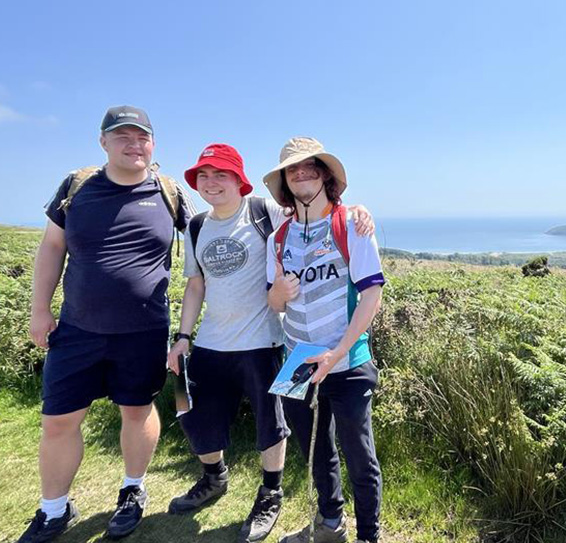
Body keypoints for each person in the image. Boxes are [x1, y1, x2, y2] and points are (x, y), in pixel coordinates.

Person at [166, 143, 374, 543]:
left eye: (221, 174)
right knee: (198, 416)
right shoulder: (198, 226)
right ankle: (217, 480)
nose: (211, 183)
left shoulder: (264, 211)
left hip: (271, 344)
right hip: (244, 346)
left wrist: (358, 211)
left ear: (239, 180)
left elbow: (322, 208)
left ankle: (277, 497)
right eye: (204, 176)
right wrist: (183, 336)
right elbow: (198, 286)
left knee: (279, 429)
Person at [17, 105, 194, 543]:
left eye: (142, 137)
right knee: (58, 420)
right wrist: (40, 310)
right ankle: (54, 509)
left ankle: (132, 489)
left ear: (153, 144)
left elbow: (209, 243)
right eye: (122, 137)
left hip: (143, 330)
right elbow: (51, 249)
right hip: (77, 328)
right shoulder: (77, 187)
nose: (133, 145)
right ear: (103, 142)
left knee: (136, 410)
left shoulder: (169, 192)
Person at [265, 137, 384, 543]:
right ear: (284, 180)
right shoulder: (277, 238)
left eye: (310, 165)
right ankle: (330, 525)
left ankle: (369, 536)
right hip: (297, 357)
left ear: (325, 174)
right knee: (314, 452)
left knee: (359, 456)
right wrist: (280, 291)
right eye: (292, 168)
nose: (301, 172)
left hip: (348, 359)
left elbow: (372, 293)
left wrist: (339, 352)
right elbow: (273, 303)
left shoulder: (352, 222)